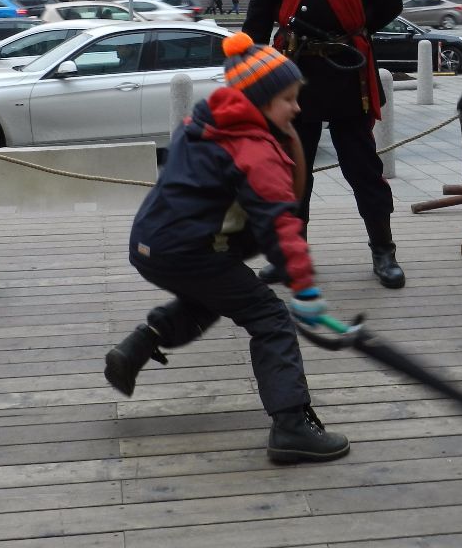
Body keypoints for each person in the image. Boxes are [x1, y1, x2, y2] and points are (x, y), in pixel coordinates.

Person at [104, 31, 350, 464]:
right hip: (188, 249)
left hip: (151, 242)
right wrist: (306, 291)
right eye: (288, 99)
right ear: (258, 101)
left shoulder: (204, 121)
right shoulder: (252, 148)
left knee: (220, 292)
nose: (297, 107)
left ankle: (139, 346)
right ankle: (291, 425)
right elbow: (281, 225)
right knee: (269, 316)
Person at [243, 0, 406, 288]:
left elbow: (391, 3)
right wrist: (245, 59)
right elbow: (261, 9)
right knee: (293, 173)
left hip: (348, 72)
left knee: (363, 171)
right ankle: (290, 256)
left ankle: (383, 251)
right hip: (293, 74)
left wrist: (352, 26)